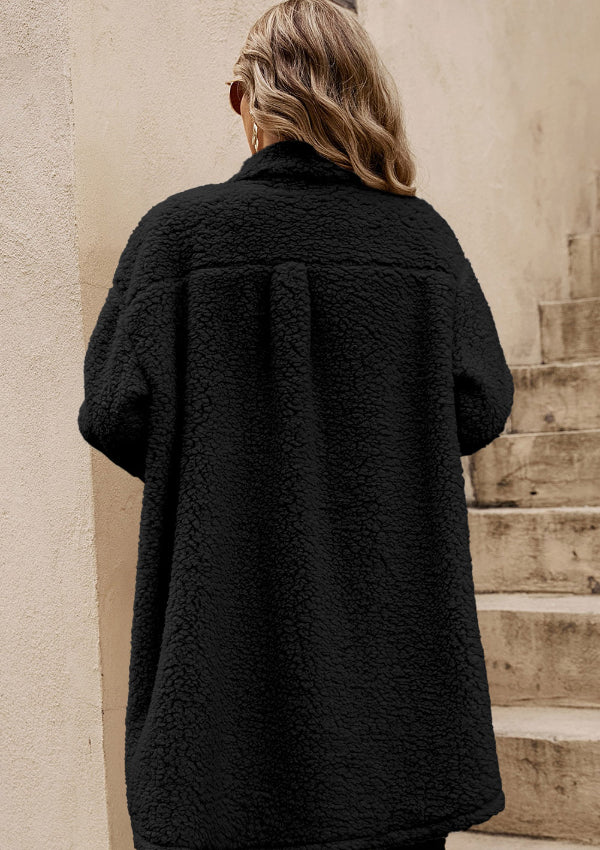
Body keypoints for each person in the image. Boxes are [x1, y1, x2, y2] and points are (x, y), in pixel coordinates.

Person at [77, 1, 514, 848]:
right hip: (395, 716)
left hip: (221, 702)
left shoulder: (176, 239)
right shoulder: (422, 242)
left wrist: (220, 451)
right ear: (365, 95)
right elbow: (480, 404)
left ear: (244, 99)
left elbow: (113, 412)